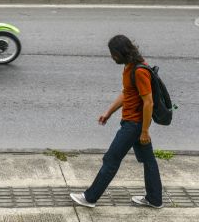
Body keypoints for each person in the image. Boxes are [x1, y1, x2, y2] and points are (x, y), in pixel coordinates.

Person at [70, 35, 163, 209]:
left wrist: (144, 131)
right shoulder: (130, 66)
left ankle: (89, 198)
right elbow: (127, 92)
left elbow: (148, 102)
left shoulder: (140, 70)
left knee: (111, 159)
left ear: (121, 53)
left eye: (113, 54)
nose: (112, 57)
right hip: (133, 123)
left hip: (134, 126)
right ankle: (155, 199)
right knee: (148, 160)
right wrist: (109, 112)